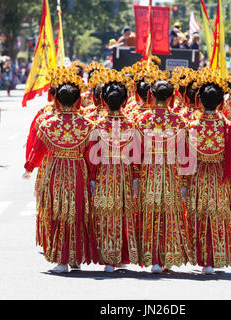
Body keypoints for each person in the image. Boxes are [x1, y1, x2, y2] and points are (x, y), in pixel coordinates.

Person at [23, 66, 98, 273]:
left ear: (56, 99)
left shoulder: (48, 124)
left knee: (58, 212)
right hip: (78, 171)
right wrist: (92, 177)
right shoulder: (88, 125)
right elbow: (91, 156)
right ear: (77, 101)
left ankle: (62, 260)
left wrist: (29, 167)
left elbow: (37, 151)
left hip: (55, 170)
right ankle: (75, 258)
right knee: (77, 213)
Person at [135, 75, 194, 273]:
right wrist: (185, 182)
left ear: (151, 96)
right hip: (170, 172)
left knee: (150, 212)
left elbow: (136, 151)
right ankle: (167, 257)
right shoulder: (179, 121)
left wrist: (135, 176)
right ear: (171, 98)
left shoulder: (142, 120)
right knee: (168, 213)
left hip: (149, 171)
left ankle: (153, 259)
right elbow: (185, 155)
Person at [186, 73, 231, 274]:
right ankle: (216, 257)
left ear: (199, 101)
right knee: (218, 216)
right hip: (219, 178)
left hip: (198, 176)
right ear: (220, 103)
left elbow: (187, 158)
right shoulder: (227, 127)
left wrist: (184, 183)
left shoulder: (192, 125)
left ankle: (203, 260)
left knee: (200, 216)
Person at [88, 69, 139, 273]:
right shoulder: (131, 124)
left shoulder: (97, 125)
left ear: (104, 100)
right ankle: (121, 256)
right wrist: (135, 177)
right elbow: (136, 155)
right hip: (124, 174)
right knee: (123, 213)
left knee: (105, 214)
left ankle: (108, 258)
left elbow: (92, 156)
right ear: (125, 101)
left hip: (104, 175)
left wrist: (91, 178)